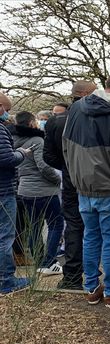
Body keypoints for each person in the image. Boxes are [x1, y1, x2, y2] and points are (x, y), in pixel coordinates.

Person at [63, 71, 110, 306]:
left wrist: (76, 176)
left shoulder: (75, 109)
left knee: (90, 237)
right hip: (109, 189)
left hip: (83, 187)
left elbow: (66, 146)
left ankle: (91, 287)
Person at [44, 80, 97, 292]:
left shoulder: (56, 121)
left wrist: (67, 167)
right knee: (96, 226)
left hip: (70, 178)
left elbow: (49, 156)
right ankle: (92, 275)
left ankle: (73, 275)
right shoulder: (93, 117)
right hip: (94, 178)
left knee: (75, 225)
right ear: (84, 94)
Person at [12, 111, 63, 275]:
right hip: (44, 190)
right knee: (56, 224)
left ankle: (39, 260)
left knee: (34, 225)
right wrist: (59, 180)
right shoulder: (37, 140)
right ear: (30, 123)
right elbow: (44, 167)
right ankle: (49, 262)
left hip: (25, 190)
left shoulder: (15, 140)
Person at [0, 91, 32, 295]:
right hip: (3, 191)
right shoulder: (1, 130)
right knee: (5, 237)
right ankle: (6, 281)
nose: (6, 113)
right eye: (6, 109)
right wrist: (22, 153)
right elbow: (6, 159)